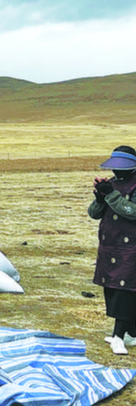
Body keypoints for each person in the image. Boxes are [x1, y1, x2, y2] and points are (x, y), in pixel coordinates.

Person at [88, 145, 136, 355]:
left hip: (131, 247)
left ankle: (118, 336)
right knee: (113, 289)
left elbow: (132, 212)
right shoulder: (113, 185)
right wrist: (100, 198)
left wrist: (111, 196)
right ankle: (131, 333)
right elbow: (94, 213)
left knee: (126, 291)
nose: (117, 172)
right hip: (110, 247)